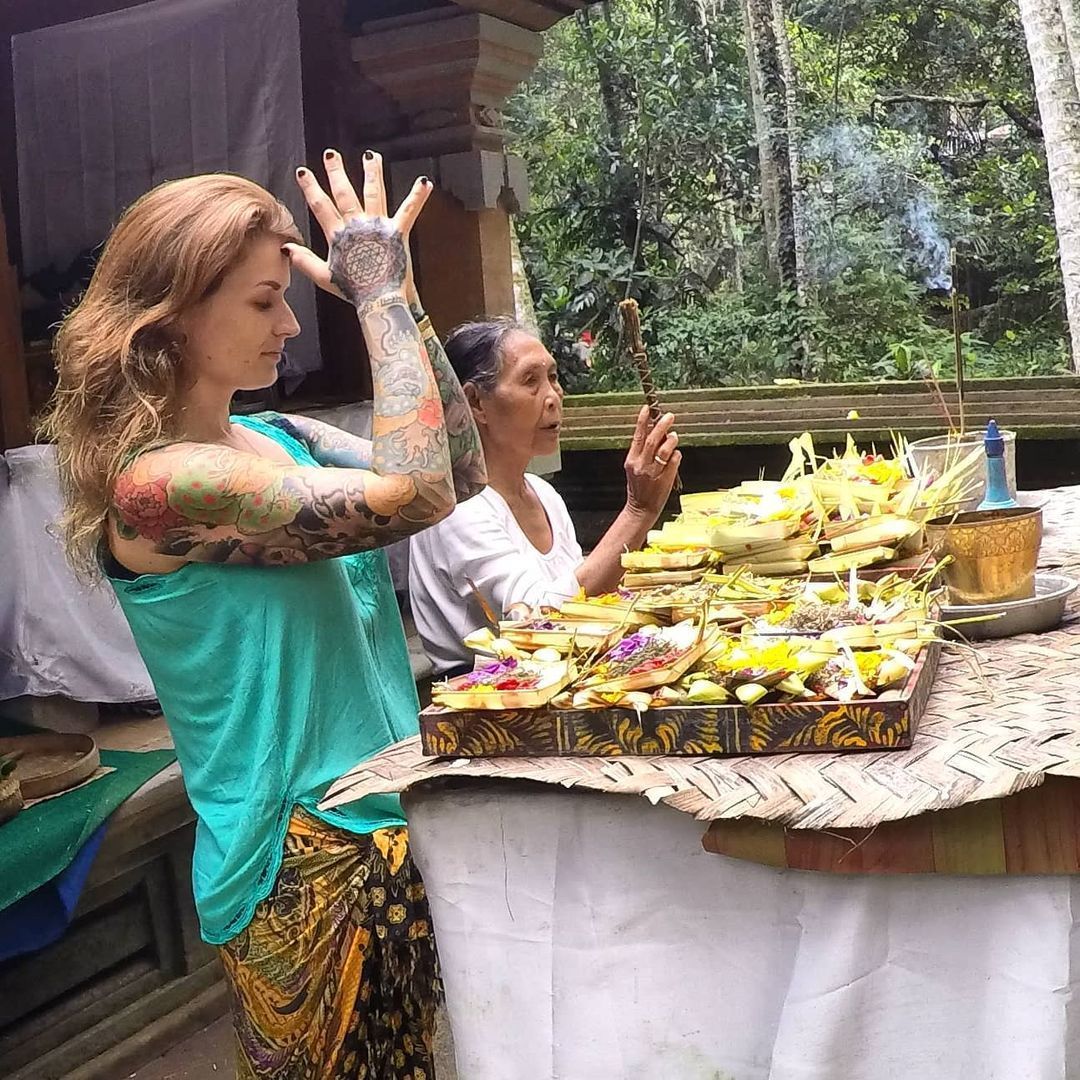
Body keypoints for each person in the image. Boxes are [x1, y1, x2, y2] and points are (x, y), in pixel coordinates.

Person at [42, 149, 486, 1078]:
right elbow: (411, 491)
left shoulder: (275, 438)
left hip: (389, 816)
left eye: (287, 295)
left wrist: (400, 298)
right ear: (167, 319)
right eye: (260, 301)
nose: (290, 321)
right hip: (297, 860)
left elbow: (457, 472)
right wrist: (369, 298)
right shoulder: (160, 487)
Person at [408, 318, 681, 676]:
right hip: (490, 712)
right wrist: (639, 510)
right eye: (530, 381)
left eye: (553, 377)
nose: (553, 397)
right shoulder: (460, 507)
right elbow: (542, 624)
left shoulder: (544, 494)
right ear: (475, 402)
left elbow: (586, 603)